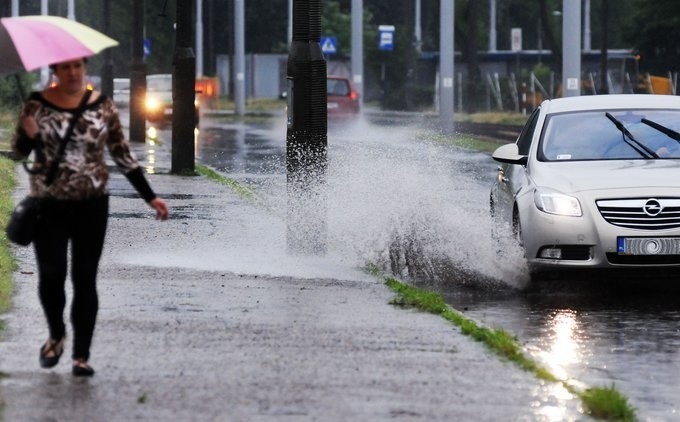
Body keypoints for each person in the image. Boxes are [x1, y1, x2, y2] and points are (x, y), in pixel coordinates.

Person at [11, 57, 169, 377]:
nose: (72, 73)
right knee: (52, 276)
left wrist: (150, 196)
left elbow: (122, 154)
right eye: (65, 68)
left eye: (77, 67)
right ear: (54, 71)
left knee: (85, 278)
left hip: (92, 204)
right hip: (48, 205)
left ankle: (80, 356)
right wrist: (28, 135)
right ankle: (56, 334)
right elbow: (20, 153)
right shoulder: (36, 105)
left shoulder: (103, 106)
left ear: (84, 69)